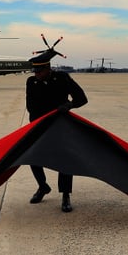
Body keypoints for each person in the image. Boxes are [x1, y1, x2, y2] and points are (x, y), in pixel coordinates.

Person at [26, 51, 88, 212]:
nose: (36, 74)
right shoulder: (31, 82)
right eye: (35, 71)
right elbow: (30, 107)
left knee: (65, 160)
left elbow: (81, 98)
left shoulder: (62, 78)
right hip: (40, 125)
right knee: (32, 156)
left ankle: (65, 195)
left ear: (48, 68)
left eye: (39, 71)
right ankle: (42, 186)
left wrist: (68, 106)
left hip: (61, 126)